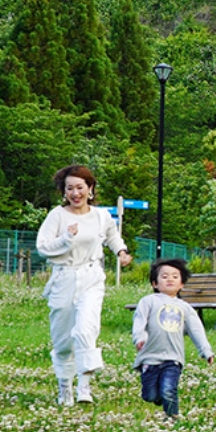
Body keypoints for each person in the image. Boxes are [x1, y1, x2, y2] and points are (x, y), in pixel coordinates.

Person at [36, 164, 133, 406]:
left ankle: (85, 387)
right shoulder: (57, 216)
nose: (75, 193)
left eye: (80, 187)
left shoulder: (101, 216)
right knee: (63, 339)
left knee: (86, 329)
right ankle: (65, 388)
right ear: (64, 191)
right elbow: (43, 246)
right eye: (70, 188)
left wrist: (121, 251)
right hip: (64, 278)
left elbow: (112, 235)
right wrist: (66, 238)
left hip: (91, 276)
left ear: (90, 189)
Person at [132, 257, 214, 417]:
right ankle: (159, 398)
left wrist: (206, 350)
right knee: (150, 396)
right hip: (149, 358)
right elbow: (139, 320)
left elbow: (196, 329)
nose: (170, 279)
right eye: (164, 276)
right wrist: (139, 337)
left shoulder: (185, 307)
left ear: (182, 284)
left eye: (175, 277)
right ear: (154, 283)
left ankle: (172, 418)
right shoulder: (148, 301)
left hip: (173, 358)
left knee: (168, 390)